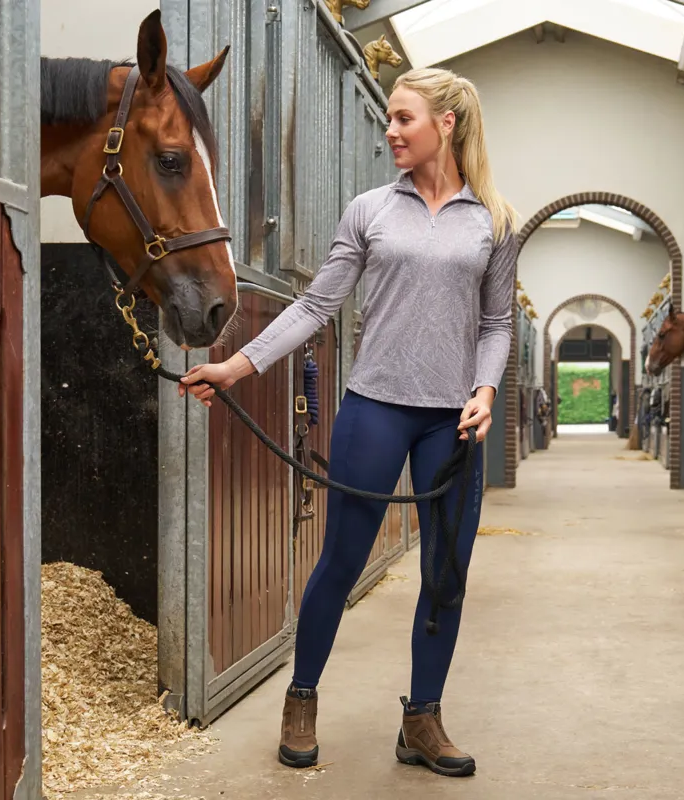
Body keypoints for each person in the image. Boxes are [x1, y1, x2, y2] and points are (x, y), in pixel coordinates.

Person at [179, 66, 518, 778]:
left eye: (403, 118)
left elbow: (496, 323)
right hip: (375, 408)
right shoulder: (370, 210)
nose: (390, 131)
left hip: (453, 423)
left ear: (447, 124)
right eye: (388, 118)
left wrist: (486, 390)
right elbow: (314, 306)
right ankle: (301, 698)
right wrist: (235, 366)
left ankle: (422, 719)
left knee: (446, 574)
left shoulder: (494, 220)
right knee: (339, 561)